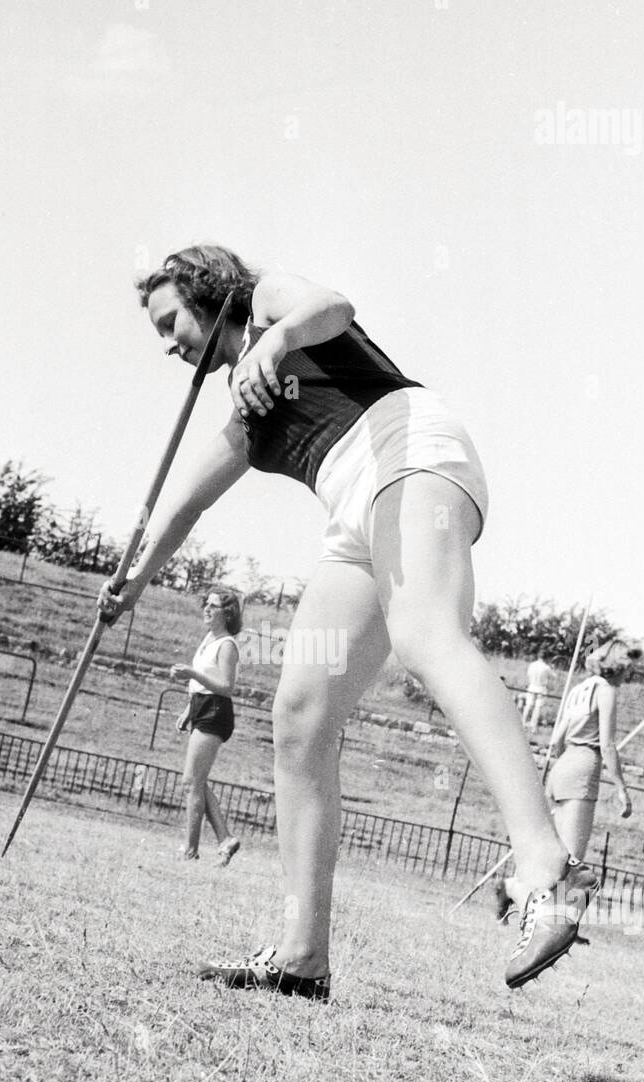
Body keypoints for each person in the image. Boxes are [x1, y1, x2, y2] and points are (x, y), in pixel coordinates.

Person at [98, 244, 599, 998]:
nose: (169, 343)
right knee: (300, 714)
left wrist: (277, 334)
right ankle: (301, 955)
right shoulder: (245, 403)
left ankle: (543, 867)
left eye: (172, 322)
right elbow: (185, 502)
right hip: (352, 510)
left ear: (210, 295)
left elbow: (334, 305)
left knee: (425, 633)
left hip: (407, 452)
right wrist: (132, 582)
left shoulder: (270, 303)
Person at [545, 640, 639, 861]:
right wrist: (621, 788)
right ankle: (558, 897)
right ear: (619, 666)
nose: (628, 676)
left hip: (561, 768)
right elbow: (607, 745)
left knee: (556, 855)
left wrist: (568, 763)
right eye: (628, 669)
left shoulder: (579, 688)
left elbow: (556, 741)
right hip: (583, 766)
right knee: (572, 860)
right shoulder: (605, 690)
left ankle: (543, 895)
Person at [170, 587, 243, 866]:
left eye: (213, 606)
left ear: (227, 613)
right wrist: (189, 708)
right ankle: (225, 839)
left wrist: (191, 673)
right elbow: (202, 681)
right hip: (202, 706)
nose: (206, 609)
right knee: (196, 781)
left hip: (215, 710)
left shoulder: (227, 645)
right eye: (206, 604)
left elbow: (226, 687)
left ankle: (190, 850)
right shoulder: (209, 639)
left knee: (191, 782)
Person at [522, 648, 556, 734]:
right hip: (541, 688)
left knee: (528, 705)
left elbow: (528, 674)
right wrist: (553, 669)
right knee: (537, 708)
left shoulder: (532, 665)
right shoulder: (546, 667)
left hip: (532, 686)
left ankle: (522, 723)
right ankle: (533, 727)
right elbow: (553, 677)